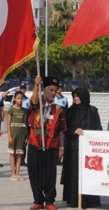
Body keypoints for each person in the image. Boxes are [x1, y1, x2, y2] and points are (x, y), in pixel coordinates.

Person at [26, 76, 67, 210]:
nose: (53, 93)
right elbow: (33, 101)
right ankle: (38, 199)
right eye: (50, 90)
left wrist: (61, 145)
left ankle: (49, 200)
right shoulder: (37, 105)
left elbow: (61, 129)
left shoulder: (59, 109)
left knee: (50, 173)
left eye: (55, 91)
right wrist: (36, 85)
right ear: (44, 90)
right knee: (34, 171)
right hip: (34, 143)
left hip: (51, 143)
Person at [61, 87, 102, 208]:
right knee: (74, 174)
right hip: (74, 148)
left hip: (90, 149)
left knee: (90, 173)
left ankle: (89, 200)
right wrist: (74, 131)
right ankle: (73, 200)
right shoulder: (70, 111)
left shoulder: (93, 111)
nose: (75, 98)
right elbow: (65, 128)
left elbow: (98, 128)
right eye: (74, 96)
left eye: (78, 96)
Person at [6, 91, 27, 181]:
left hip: (22, 133)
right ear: (14, 99)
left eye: (21, 99)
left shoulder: (24, 110)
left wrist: (27, 136)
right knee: (12, 153)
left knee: (19, 153)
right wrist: (9, 135)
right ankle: (13, 173)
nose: (19, 100)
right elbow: (8, 123)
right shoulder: (11, 109)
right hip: (13, 133)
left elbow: (25, 123)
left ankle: (17, 173)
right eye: (18, 98)